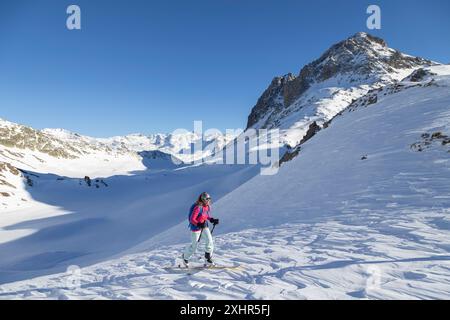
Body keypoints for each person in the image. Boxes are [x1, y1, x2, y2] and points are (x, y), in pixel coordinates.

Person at [182, 192, 219, 267]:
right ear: (203, 199)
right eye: (207, 199)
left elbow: (206, 215)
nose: (209, 201)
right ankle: (185, 257)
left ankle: (207, 259)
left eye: (209, 199)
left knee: (210, 241)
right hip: (196, 228)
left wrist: (211, 219)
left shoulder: (207, 206)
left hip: (204, 226)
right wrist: (198, 224)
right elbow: (192, 219)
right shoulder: (198, 207)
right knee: (194, 246)